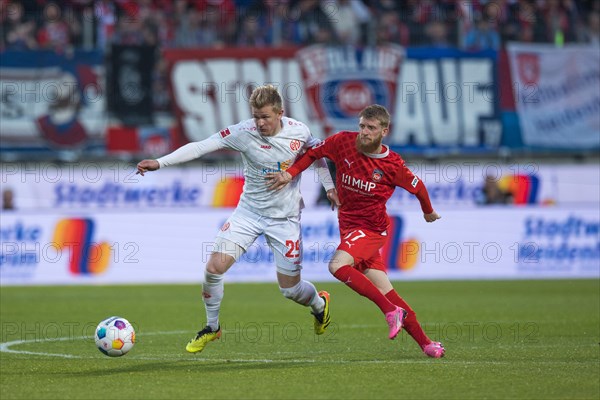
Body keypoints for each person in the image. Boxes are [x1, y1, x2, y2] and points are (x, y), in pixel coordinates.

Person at [137, 85, 338, 353]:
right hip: (249, 213)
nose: (260, 123)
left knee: (291, 291)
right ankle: (212, 327)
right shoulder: (243, 132)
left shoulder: (299, 132)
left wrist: (329, 187)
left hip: (284, 218)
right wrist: (160, 163)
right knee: (214, 268)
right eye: (256, 116)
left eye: (266, 116)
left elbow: (318, 157)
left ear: (280, 113)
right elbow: (202, 146)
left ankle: (319, 305)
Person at [266, 104, 445, 358]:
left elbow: (418, 187)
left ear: (384, 131)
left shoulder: (392, 165)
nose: (364, 132)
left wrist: (428, 212)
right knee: (388, 292)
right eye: (362, 126)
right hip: (350, 229)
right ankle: (427, 344)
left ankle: (389, 312)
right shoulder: (343, 142)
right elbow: (313, 153)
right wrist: (292, 174)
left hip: (371, 231)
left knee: (337, 266)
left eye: (371, 128)